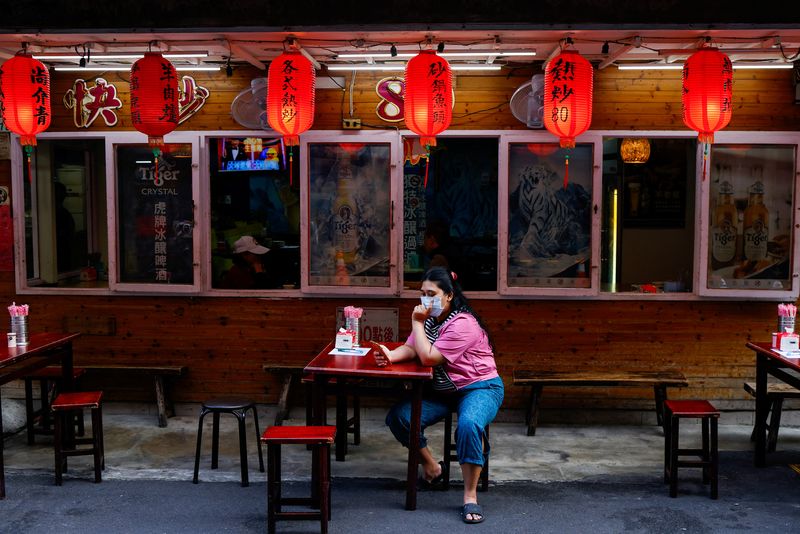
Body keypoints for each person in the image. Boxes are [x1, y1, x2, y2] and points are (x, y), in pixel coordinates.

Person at [376, 267, 503, 524]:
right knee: (400, 417)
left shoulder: (463, 323)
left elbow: (429, 357)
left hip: (480, 387)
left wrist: (416, 322)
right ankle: (433, 468)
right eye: (422, 294)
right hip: (445, 392)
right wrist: (389, 355)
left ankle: (470, 496)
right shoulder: (430, 320)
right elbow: (412, 347)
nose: (425, 300)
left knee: (468, 425)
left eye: (431, 294)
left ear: (448, 296)